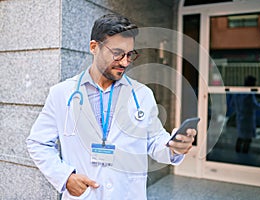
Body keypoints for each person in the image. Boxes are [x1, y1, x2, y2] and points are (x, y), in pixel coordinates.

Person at [26, 14, 196, 200]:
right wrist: (65, 178)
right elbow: (38, 142)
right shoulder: (62, 93)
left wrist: (174, 148)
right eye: (117, 53)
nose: (125, 62)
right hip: (86, 195)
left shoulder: (142, 94)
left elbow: (155, 141)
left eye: (130, 55)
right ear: (94, 47)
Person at [232, 75, 260, 153]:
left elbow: (232, 104)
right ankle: (244, 155)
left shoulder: (238, 93)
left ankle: (237, 154)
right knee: (247, 138)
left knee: (240, 136)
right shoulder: (249, 94)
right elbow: (255, 106)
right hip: (248, 119)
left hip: (240, 117)